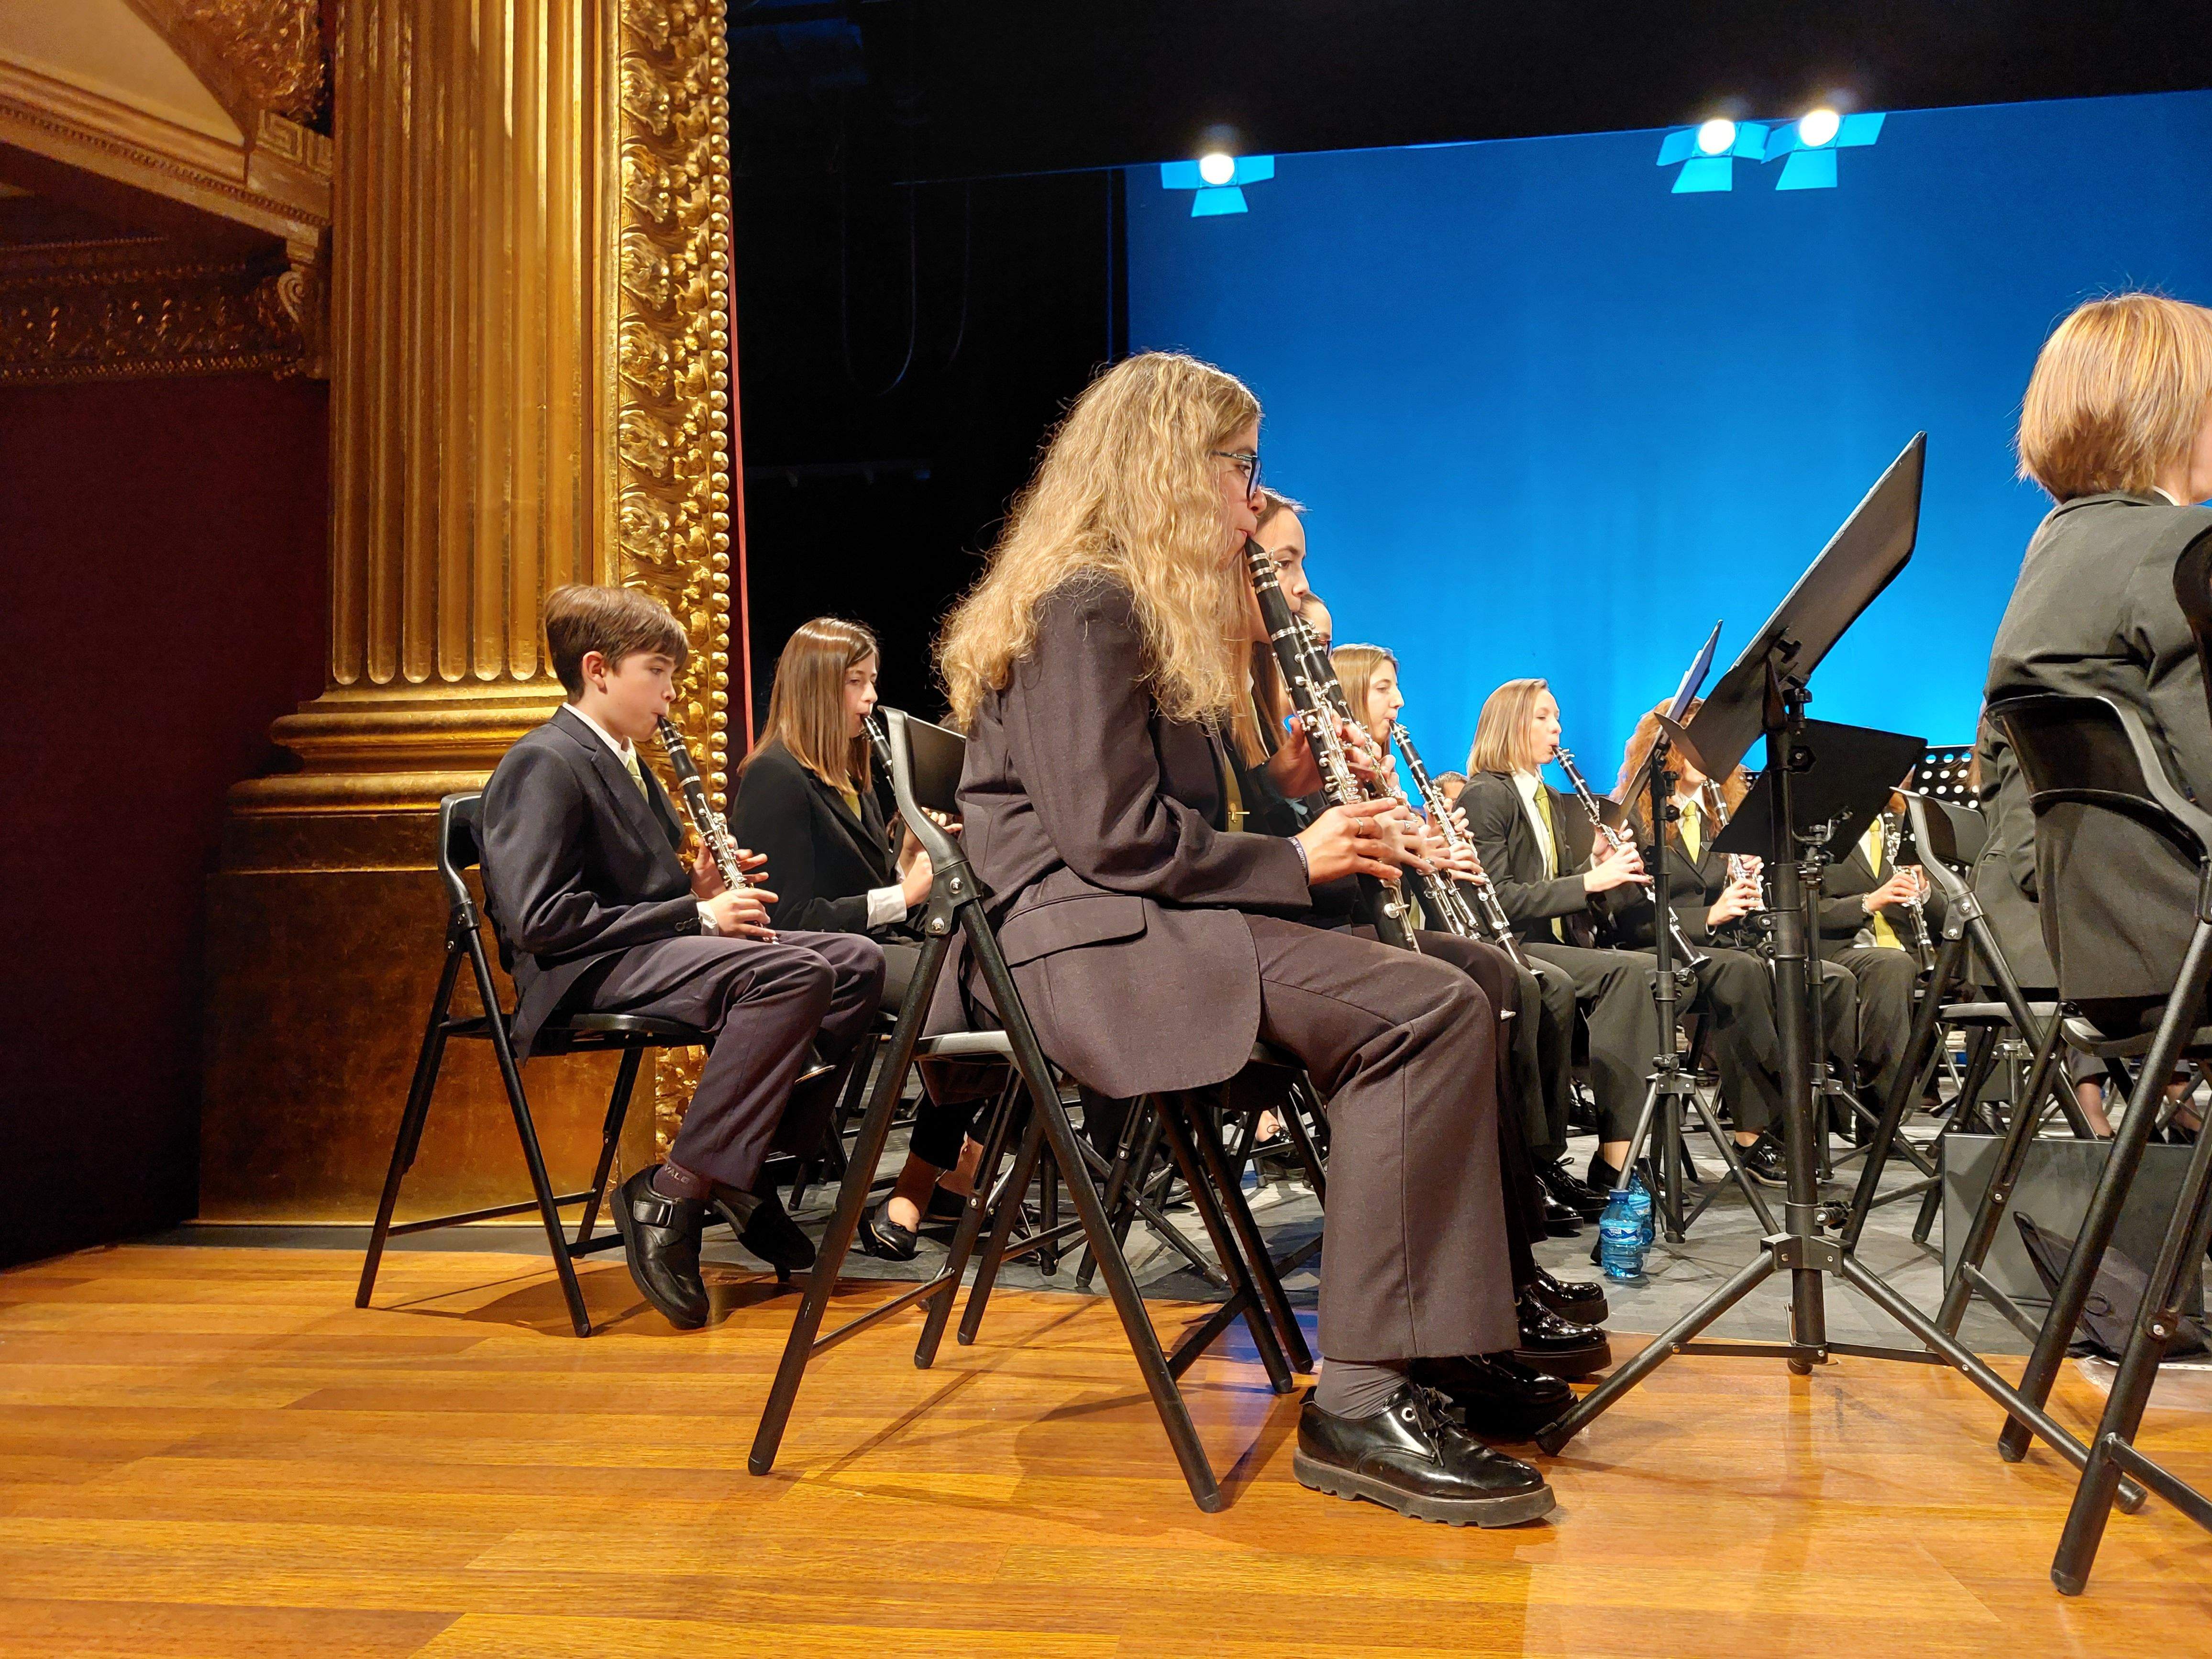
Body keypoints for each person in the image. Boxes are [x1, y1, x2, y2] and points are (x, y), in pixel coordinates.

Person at [932, 350, 1555, 1526]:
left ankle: (1452, 1338)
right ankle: (1361, 1399)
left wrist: (1285, 797)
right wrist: (1297, 859)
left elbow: (1148, 822)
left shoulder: (1122, 609)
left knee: (1467, 969)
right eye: (1239, 467)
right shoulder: (1086, 604)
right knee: (1424, 1012)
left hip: (1140, 924)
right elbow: (1113, 837)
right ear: (1172, 467)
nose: (1250, 497)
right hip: (1097, 956)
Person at [479, 585, 885, 1330]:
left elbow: (643, 887)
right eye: (659, 672)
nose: (672, 693)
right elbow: (540, 920)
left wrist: (695, 882)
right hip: (580, 972)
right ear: (598, 669)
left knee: (858, 963)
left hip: (645, 951)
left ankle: (743, 1169)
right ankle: (677, 1189)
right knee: (796, 971)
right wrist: (697, 911)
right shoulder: (545, 760)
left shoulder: (629, 759)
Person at [1980, 291, 2212, 1131]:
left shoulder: (2050, 549)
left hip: (2100, 949)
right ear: (2168, 411)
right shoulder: (2176, 546)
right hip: (2185, 938)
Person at [728, 617, 981, 1259]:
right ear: (818, 687)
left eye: (873, 682)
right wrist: (906, 894)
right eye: (857, 683)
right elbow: (788, 917)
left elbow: (870, 889)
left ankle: (946, 1170)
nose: (871, 700)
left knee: (989, 977)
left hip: (873, 949)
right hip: (819, 965)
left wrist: (922, 852)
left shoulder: (851, 774)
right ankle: (933, 1176)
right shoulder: (774, 777)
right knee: (971, 993)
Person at [1611, 704, 1859, 1178]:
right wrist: (1711, 913)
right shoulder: (1635, 821)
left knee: (1828, 978)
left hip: (1723, 946)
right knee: (1742, 974)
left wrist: (1747, 888)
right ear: (1669, 753)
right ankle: (1754, 1133)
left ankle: (1819, 1121)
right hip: (1659, 950)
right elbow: (1628, 921)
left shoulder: (1713, 820)